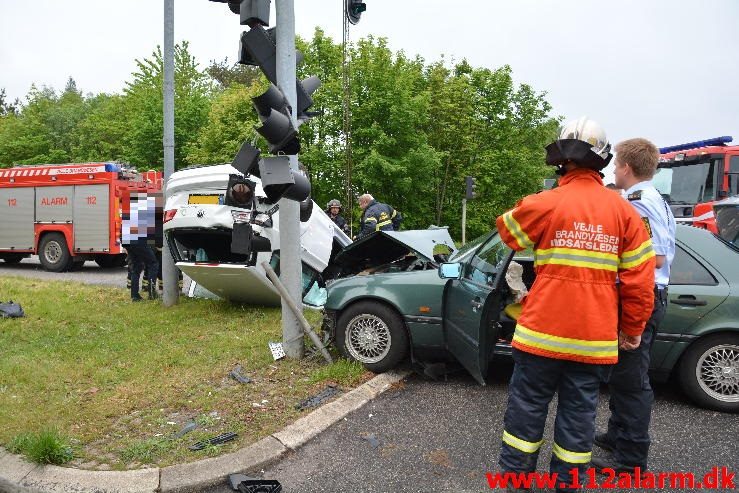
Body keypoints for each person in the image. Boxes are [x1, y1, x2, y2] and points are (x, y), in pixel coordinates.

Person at [495, 117, 656, 493]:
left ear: (561, 160)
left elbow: (507, 232)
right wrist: (632, 330)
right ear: (600, 161)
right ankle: (567, 484)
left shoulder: (546, 203)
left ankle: (516, 482)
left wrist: (541, 204)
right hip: (592, 340)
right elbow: (640, 283)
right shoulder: (626, 214)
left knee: (526, 411)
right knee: (578, 416)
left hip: (541, 336)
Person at [592, 138, 676, 473]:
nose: (614, 170)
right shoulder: (654, 198)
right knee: (623, 374)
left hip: (641, 296)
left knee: (631, 380)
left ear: (627, 167)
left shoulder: (638, 202)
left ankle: (630, 459)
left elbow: (652, 258)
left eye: (616, 166)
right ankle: (617, 436)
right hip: (647, 294)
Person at [122, 192, 159, 301]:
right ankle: (152, 294)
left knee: (136, 268)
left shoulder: (130, 212)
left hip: (129, 242)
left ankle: (134, 296)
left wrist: (125, 246)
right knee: (153, 263)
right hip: (139, 241)